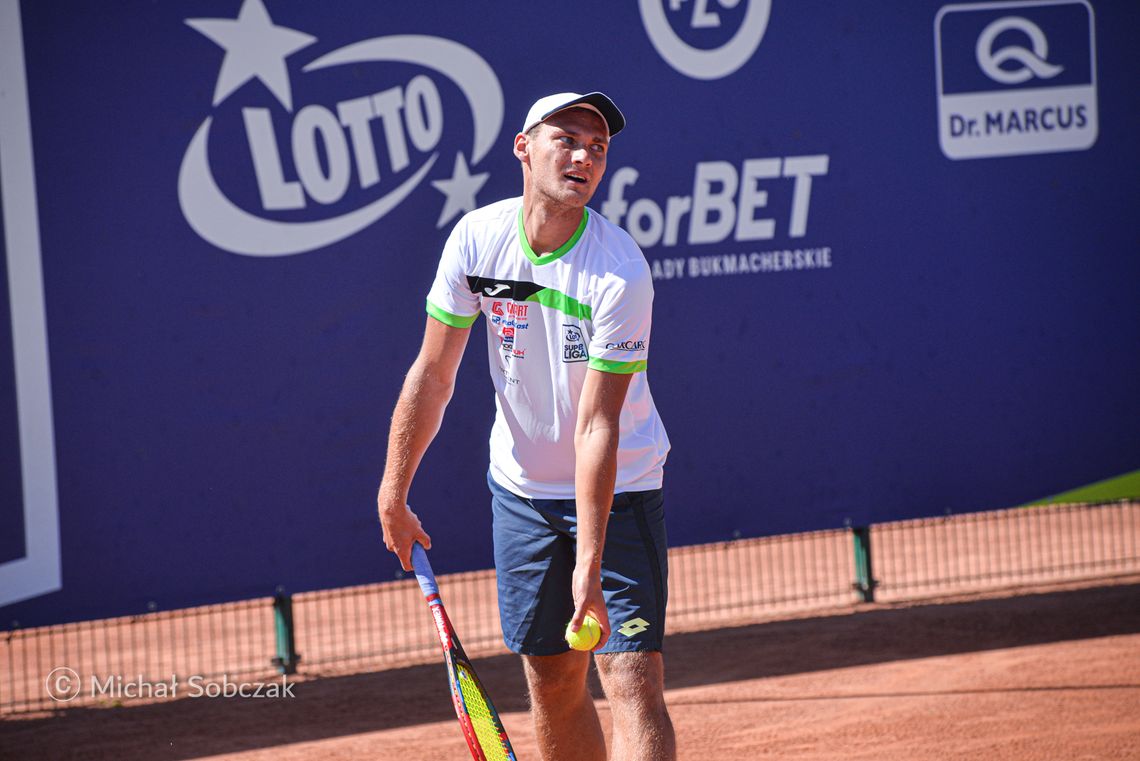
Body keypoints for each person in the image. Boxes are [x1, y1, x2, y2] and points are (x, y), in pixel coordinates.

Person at [377, 91, 675, 761]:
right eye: (567, 140)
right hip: (524, 496)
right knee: (550, 680)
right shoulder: (476, 239)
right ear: (523, 147)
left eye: (597, 148)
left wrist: (590, 564)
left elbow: (599, 423)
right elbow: (433, 373)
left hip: (619, 489)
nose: (583, 157)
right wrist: (394, 490)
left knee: (630, 675)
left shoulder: (619, 271)